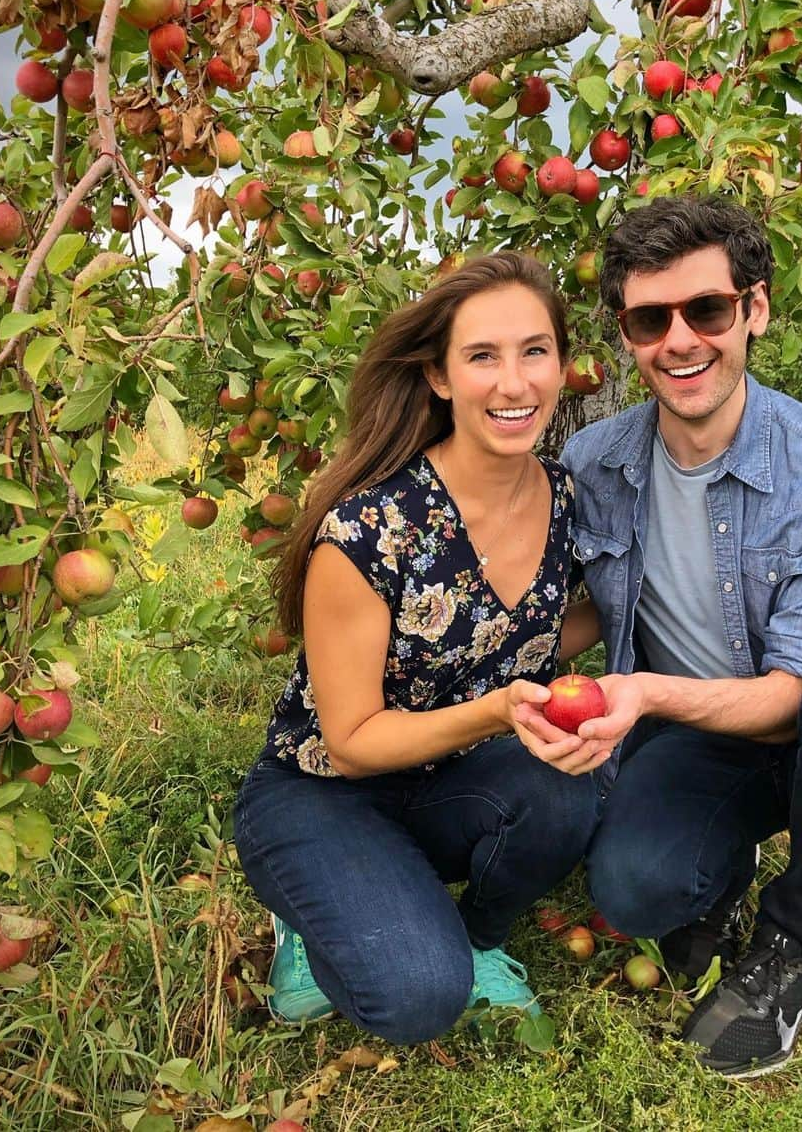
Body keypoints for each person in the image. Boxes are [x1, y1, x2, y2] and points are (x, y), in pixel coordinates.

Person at [516, 197, 802, 1078]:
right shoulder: (595, 464)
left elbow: (796, 683)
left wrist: (643, 695)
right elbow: (583, 603)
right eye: (649, 318)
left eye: (706, 310)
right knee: (635, 892)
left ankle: (800, 943)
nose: (680, 341)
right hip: (697, 741)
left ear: (755, 308)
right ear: (626, 334)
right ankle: (721, 865)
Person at [234, 251, 600, 1044]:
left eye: (535, 351)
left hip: (442, 779)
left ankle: (473, 939)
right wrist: (500, 711)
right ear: (438, 377)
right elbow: (354, 742)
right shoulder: (371, 530)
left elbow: (527, 634)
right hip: (324, 791)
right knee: (417, 999)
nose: (515, 383)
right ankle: (311, 916)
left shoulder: (566, 499)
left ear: (563, 366)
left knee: (573, 790)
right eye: (482, 357)